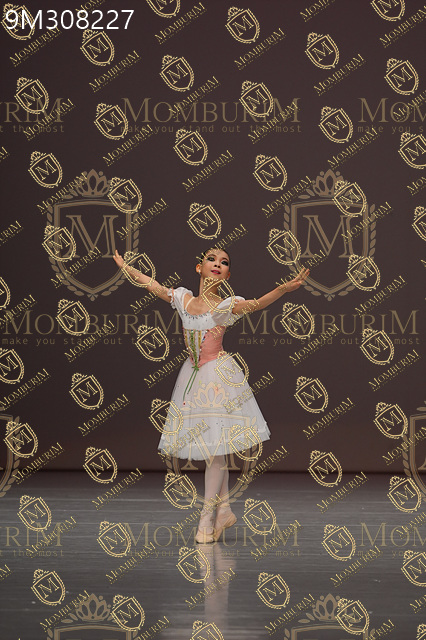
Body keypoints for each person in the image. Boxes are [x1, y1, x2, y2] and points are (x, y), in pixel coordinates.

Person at [113, 247, 309, 543]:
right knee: (215, 448)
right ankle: (225, 510)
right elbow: (151, 284)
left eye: (224, 262)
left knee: (216, 449)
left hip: (217, 378)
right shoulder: (183, 299)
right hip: (193, 378)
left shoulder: (226, 306)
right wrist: (125, 267)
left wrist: (282, 289)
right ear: (199, 267)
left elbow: (256, 304)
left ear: (227, 275)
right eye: (211, 259)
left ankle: (206, 518)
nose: (217, 264)